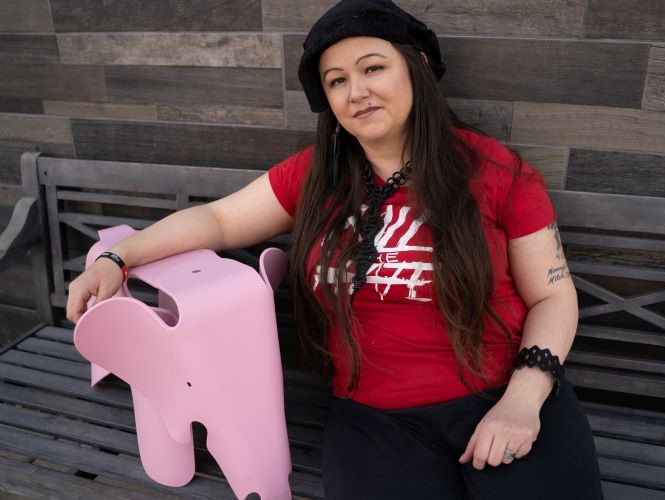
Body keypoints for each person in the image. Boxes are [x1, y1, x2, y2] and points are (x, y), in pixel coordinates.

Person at [66, 0, 603, 498]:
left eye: (373, 68)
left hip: (502, 394)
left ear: (415, 65)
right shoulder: (316, 176)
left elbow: (553, 298)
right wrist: (120, 256)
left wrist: (523, 400)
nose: (356, 92)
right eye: (337, 81)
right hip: (375, 419)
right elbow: (220, 219)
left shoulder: (496, 174)